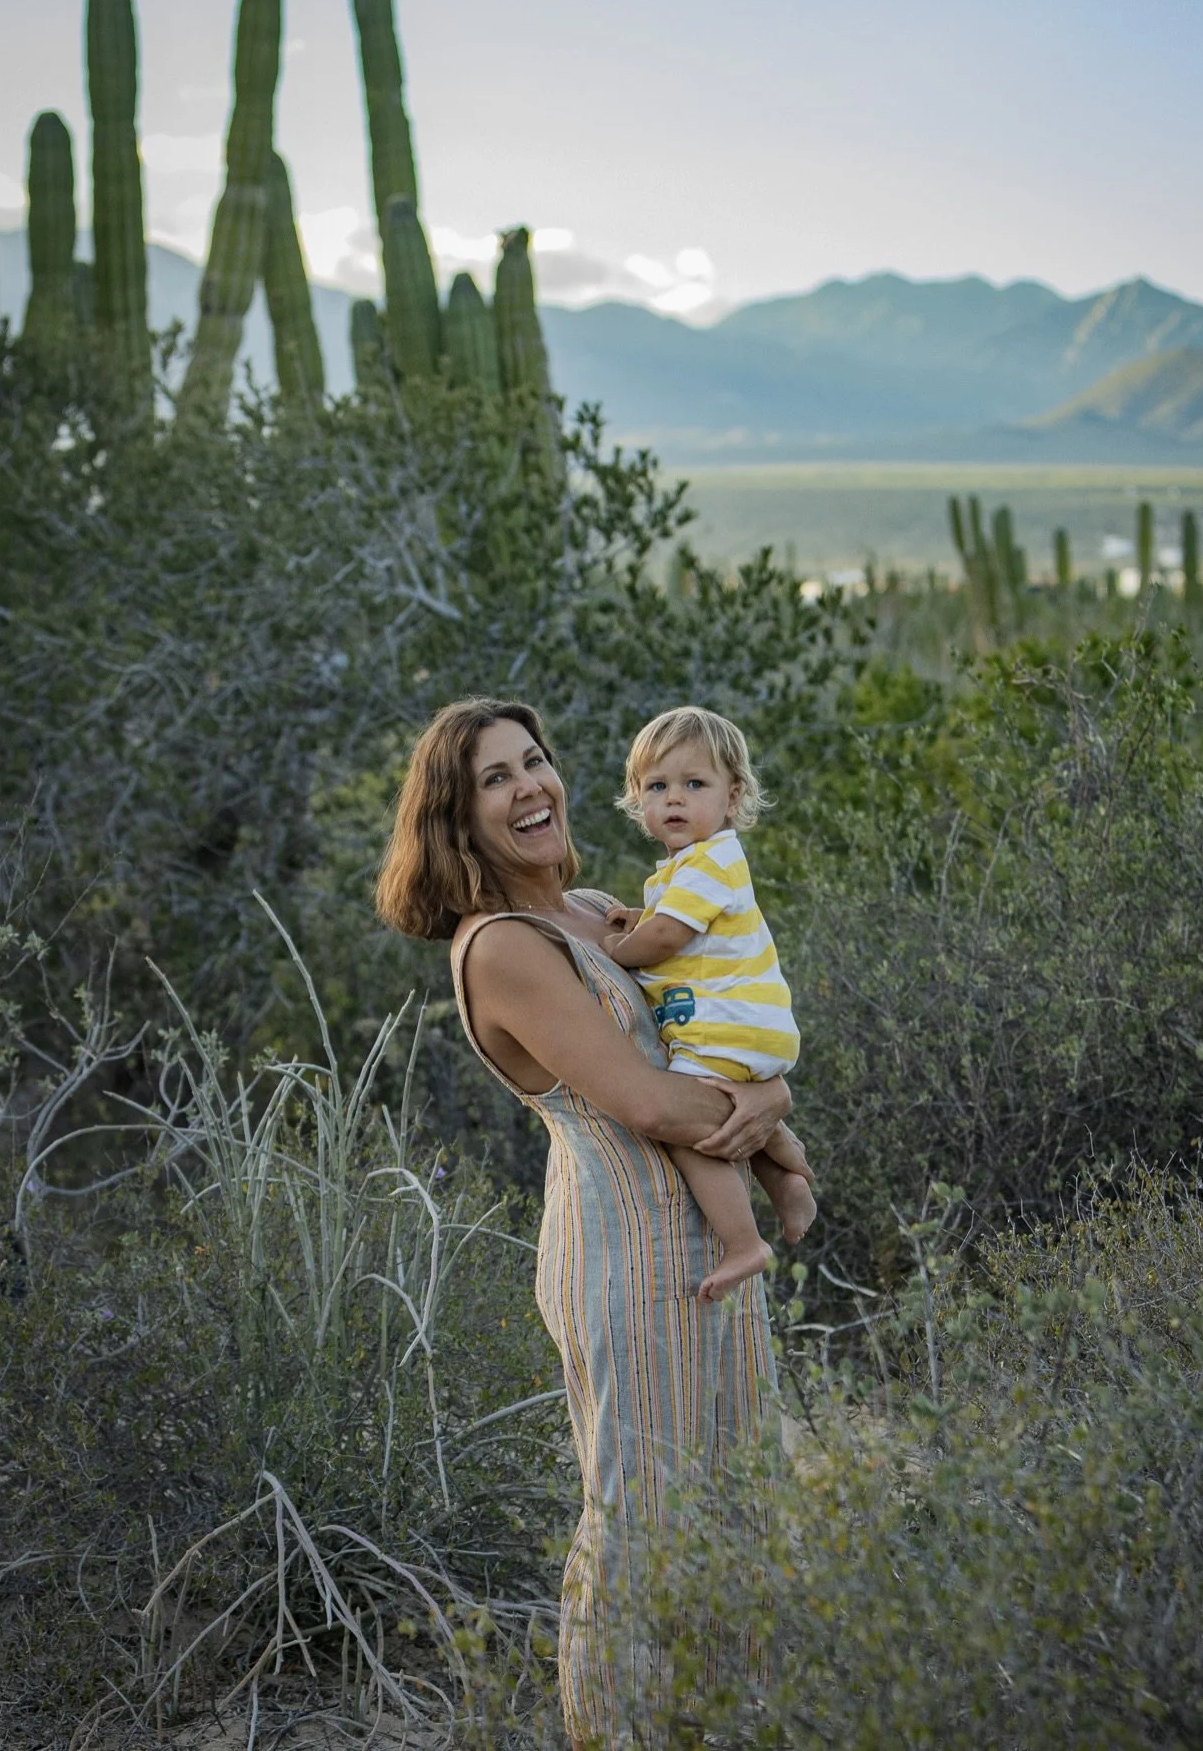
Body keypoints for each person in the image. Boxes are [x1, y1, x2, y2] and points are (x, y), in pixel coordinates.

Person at [375, 696, 793, 1750]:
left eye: (537, 760)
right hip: (627, 1255)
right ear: (458, 822)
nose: (531, 787)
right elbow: (650, 1102)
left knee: (740, 1504)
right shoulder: (501, 946)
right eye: (495, 779)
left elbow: (712, 1047)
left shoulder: (606, 908)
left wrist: (769, 1102)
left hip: (704, 1244)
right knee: (642, 1522)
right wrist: (768, 1116)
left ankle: (726, 1728)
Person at [602, 707, 817, 1299]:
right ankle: (788, 1183)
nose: (675, 799)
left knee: (688, 1126)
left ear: (733, 796)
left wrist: (619, 948)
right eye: (658, 786)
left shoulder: (711, 858)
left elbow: (669, 938)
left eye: (695, 784)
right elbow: (675, 925)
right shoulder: (690, 867)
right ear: (638, 799)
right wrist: (640, 917)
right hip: (747, 1029)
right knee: (728, 1104)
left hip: (729, 1027)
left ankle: (744, 1243)